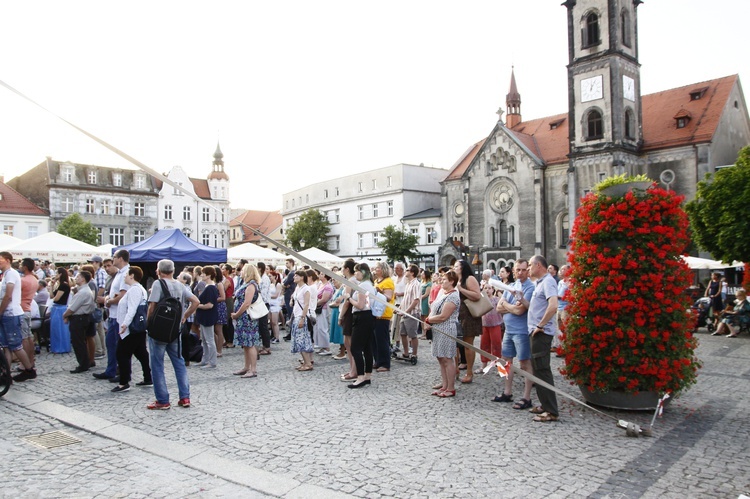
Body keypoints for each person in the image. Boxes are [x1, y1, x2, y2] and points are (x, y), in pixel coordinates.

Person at [146, 259, 199, 410]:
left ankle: (163, 400)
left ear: (158, 271)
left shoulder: (158, 284)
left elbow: (152, 306)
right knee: (179, 362)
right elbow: (195, 301)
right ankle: (185, 397)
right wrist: (184, 316)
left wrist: (149, 323)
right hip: (175, 330)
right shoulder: (179, 285)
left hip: (159, 330)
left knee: (157, 364)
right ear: (173, 271)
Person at [493, 259, 535, 408]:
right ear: (514, 270)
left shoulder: (530, 288)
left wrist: (506, 305)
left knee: (525, 363)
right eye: (518, 270)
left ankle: (526, 397)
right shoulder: (511, 286)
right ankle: (507, 392)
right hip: (509, 330)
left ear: (528, 271)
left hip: (522, 331)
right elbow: (499, 307)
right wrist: (509, 306)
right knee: (505, 362)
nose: (520, 272)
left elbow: (520, 310)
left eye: (524, 270)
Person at [524, 255, 559, 422]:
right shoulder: (539, 283)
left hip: (541, 333)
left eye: (530, 265)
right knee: (537, 369)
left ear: (539, 265)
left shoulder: (548, 282)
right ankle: (545, 405)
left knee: (543, 370)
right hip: (535, 332)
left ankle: (551, 410)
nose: (529, 268)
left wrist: (540, 326)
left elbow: (553, 306)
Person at [111, 266, 152, 393]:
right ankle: (148, 377)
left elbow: (132, 309)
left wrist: (125, 324)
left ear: (132, 276)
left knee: (122, 353)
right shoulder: (138, 289)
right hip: (136, 327)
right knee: (141, 353)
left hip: (131, 328)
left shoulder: (135, 289)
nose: (124, 276)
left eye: (126, 274)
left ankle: (124, 382)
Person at [94, 249, 130, 381]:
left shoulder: (126, 273)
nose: (112, 259)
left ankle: (122, 372)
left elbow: (122, 295)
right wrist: (109, 299)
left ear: (120, 258)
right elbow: (114, 292)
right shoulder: (118, 274)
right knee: (111, 344)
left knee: (120, 346)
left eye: (114, 257)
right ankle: (111, 370)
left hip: (120, 315)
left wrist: (107, 301)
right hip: (113, 314)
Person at [0, 252, 36, 382]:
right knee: (6, 346)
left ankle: (29, 369)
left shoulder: (11, 274)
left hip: (11, 313)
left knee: (15, 345)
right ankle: (6, 374)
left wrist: (0, 311)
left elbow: (8, 295)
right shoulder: (5, 275)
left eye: (1, 259)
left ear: (8, 260)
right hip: (6, 314)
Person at [425, 270, 461, 397]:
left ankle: (451, 388)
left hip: (446, 329)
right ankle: (444, 385)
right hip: (438, 329)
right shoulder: (443, 293)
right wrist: (429, 320)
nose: (442, 281)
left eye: (445, 279)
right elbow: (434, 309)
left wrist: (428, 320)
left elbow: (444, 316)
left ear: (452, 281)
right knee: (441, 358)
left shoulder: (453, 296)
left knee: (447, 358)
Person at [344, 263, 376, 388]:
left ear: (363, 272)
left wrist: (349, 298)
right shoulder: (369, 284)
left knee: (355, 348)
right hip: (367, 317)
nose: (355, 273)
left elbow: (360, 305)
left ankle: (361, 377)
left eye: (357, 271)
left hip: (362, 316)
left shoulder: (363, 285)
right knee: (367, 347)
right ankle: (367, 376)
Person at [453, 260, 483, 383]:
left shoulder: (469, 279)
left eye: (456, 266)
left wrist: (461, 289)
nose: (454, 268)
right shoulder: (455, 280)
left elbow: (477, 295)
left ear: (462, 268)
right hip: (457, 315)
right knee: (454, 345)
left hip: (468, 315)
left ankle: (469, 372)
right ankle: (455, 370)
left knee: (467, 345)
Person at [231, 264, 263, 378]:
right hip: (243, 317)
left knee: (250, 344)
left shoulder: (251, 285)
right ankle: (246, 367)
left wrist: (236, 314)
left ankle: (253, 369)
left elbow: (247, 303)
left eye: (243, 270)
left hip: (246, 317)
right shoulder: (246, 284)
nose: (241, 272)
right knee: (246, 344)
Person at [62, 271, 95, 373]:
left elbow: (72, 308)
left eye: (78, 277)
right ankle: (85, 362)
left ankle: (83, 364)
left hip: (79, 318)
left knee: (78, 342)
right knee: (81, 341)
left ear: (83, 279)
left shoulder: (83, 292)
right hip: (82, 317)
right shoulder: (83, 291)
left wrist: (65, 315)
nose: (76, 278)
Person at [372, 261, 395, 372]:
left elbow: (388, 297)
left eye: (377, 268)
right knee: (375, 340)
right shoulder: (376, 281)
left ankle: (385, 363)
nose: (375, 270)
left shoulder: (388, 281)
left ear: (383, 269)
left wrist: (379, 291)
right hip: (376, 313)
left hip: (384, 313)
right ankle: (378, 360)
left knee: (382, 340)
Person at [477, 277, 503, 374]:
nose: (487, 290)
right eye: (485, 288)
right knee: (484, 345)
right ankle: (484, 364)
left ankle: (499, 366)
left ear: (493, 290)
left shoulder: (496, 299)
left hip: (495, 324)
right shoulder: (481, 299)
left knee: (496, 345)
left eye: (489, 288)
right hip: (484, 325)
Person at [290, 269, 314, 371]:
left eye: (296, 276)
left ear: (302, 277)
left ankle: (308, 363)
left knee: (302, 341)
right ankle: (305, 362)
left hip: (301, 316)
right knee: (299, 340)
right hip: (296, 315)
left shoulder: (306, 289)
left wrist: (302, 319)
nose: (294, 277)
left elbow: (306, 304)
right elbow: (295, 299)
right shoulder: (297, 288)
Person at [196, 266, 220, 368]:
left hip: (208, 316)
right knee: (205, 340)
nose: (201, 275)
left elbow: (210, 305)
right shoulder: (208, 286)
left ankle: (212, 361)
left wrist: (197, 306)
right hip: (204, 316)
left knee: (209, 340)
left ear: (209, 275)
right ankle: (205, 359)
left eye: (203, 274)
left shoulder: (210, 288)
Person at [337, 259, 358, 377]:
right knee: (347, 342)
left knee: (350, 343)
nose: (341, 270)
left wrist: (341, 316)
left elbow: (347, 301)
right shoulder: (352, 280)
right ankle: (352, 369)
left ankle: (354, 370)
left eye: (342, 268)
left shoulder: (351, 281)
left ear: (347, 269)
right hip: (351, 312)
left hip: (349, 313)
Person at [398, 264, 422, 359]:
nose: (405, 271)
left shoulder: (416, 284)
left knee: (412, 335)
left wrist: (406, 311)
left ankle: (414, 354)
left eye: (407, 270)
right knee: (402, 333)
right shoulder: (408, 283)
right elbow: (406, 299)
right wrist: (400, 308)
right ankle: (406, 352)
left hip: (412, 313)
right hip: (405, 312)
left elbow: (416, 300)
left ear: (412, 272)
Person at [19, 258, 38, 368]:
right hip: (28, 308)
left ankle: (25, 363)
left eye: (21, 265)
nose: (20, 267)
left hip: (22, 309)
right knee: (29, 337)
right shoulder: (34, 279)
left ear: (25, 267)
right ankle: (30, 360)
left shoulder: (23, 280)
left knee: (24, 338)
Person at [49, 267, 72, 353]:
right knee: (55, 328)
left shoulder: (64, 285)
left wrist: (54, 297)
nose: (55, 275)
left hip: (60, 308)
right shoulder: (59, 284)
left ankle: (61, 347)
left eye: (57, 273)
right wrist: (52, 285)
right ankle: (57, 346)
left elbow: (56, 299)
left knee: (60, 329)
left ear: (60, 274)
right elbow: (51, 296)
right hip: (56, 308)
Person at [90, 256, 108, 360]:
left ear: (97, 263)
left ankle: (99, 350)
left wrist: (96, 299)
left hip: (98, 303)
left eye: (93, 262)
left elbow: (102, 287)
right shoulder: (98, 272)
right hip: (100, 302)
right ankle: (102, 349)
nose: (92, 264)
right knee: (100, 327)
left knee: (97, 327)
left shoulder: (100, 273)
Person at [314, 271, 334, 355]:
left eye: (322, 274)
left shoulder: (328, 286)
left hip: (324, 308)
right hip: (318, 308)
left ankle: (327, 347)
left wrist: (314, 303)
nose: (319, 275)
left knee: (323, 327)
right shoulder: (320, 284)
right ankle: (322, 346)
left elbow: (324, 299)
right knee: (318, 327)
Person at [257, 262, 272, 355]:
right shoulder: (260, 278)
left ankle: (267, 347)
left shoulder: (265, 278)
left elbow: (263, 292)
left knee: (263, 326)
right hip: (260, 303)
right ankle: (264, 345)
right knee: (261, 326)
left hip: (263, 303)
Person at [328, 275, 345, 357]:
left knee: (340, 332)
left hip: (339, 311)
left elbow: (339, 302)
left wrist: (333, 304)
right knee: (337, 331)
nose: (333, 282)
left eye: (334, 280)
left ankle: (342, 351)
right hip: (335, 311)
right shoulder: (338, 290)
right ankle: (341, 350)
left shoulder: (342, 290)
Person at [555, 264, 570, 353]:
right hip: (559, 307)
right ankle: (563, 347)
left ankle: (567, 348)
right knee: (560, 328)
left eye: (563, 269)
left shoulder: (571, 282)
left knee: (566, 328)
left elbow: (571, 295)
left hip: (566, 307)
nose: (560, 271)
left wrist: (561, 297)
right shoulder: (560, 282)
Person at [391, 262, 407, 343]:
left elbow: (408, 291)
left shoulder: (405, 278)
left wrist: (400, 294)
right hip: (395, 303)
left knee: (402, 326)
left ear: (401, 269)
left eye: (397, 268)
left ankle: (407, 345)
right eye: (395, 268)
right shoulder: (394, 278)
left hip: (403, 304)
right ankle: (395, 342)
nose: (395, 270)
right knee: (395, 325)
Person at [221, 264, 235, 348]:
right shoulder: (225, 279)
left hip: (228, 300)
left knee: (228, 321)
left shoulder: (228, 280)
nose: (222, 270)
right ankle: (227, 340)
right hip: (226, 300)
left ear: (227, 270)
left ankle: (230, 340)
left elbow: (223, 290)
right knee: (225, 322)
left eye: (223, 269)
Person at [282, 258, 296, 341]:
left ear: (291, 263)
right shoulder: (291, 273)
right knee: (290, 315)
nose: (286, 265)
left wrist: (284, 286)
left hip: (289, 295)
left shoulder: (291, 273)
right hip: (288, 294)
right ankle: (290, 332)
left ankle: (291, 333)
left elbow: (284, 283)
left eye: (287, 263)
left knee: (291, 315)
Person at [268, 270, 283, 343]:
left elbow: (276, 295)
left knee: (275, 322)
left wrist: (268, 296)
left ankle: (277, 337)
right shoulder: (270, 284)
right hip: (270, 304)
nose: (269, 278)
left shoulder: (278, 284)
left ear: (274, 276)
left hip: (275, 305)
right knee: (271, 322)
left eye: (270, 276)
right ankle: (274, 336)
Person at [418, 269, 432, 340]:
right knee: (421, 318)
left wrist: (419, 298)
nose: (421, 275)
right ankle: (423, 333)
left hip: (425, 301)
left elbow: (426, 294)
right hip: (421, 301)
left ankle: (426, 334)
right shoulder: (421, 282)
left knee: (425, 318)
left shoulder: (429, 283)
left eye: (423, 274)